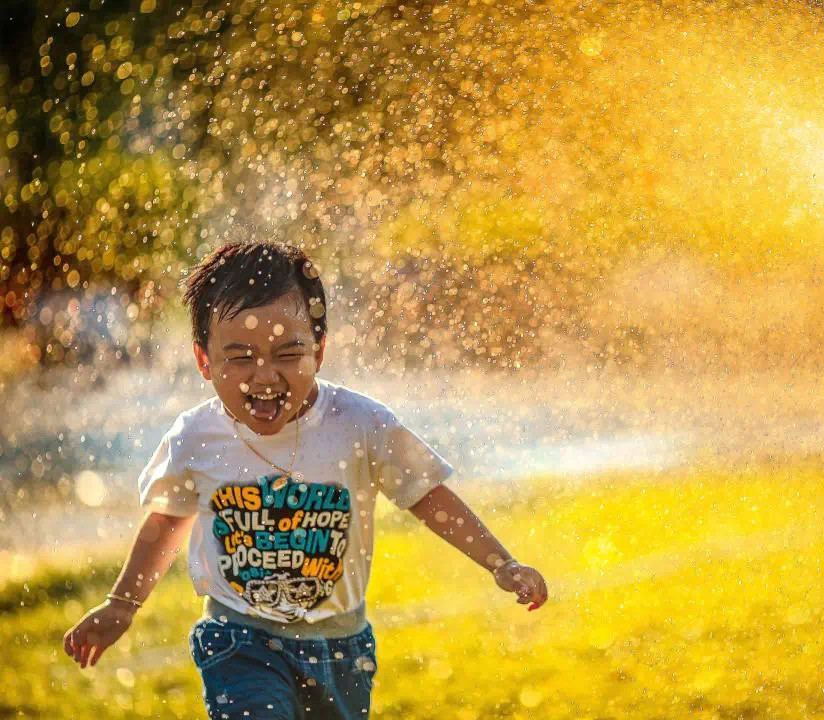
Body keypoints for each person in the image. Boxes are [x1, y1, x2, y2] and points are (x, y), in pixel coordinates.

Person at [62, 238, 548, 719]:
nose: (265, 375)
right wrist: (123, 603)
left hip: (340, 647)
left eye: (287, 354)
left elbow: (427, 495)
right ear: (204, 361)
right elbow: (167, 522)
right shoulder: (196, 437)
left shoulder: (360, 424)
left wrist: (500, 563)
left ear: (319, 350)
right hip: (239, 639)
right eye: (240, 357)